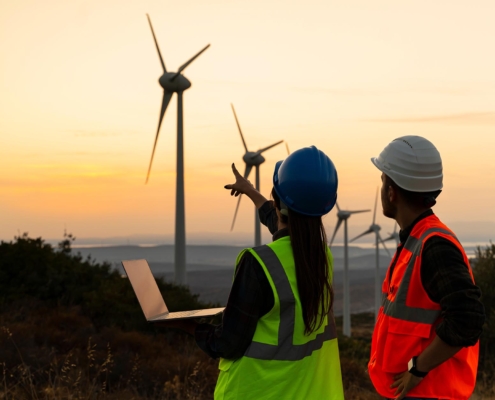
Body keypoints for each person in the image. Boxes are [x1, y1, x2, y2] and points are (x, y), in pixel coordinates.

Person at [161, 146, 345, 399]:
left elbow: (227, 343)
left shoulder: (259, 264)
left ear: (280, 205)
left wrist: (188, 325)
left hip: (258, 391)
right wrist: (252, 192)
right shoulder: (322, 257)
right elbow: (283, 222)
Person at [367, 136, 485, 400]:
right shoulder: (419, 239)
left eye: (383, 180)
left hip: (430, 392)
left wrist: (417, 370)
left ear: (391, 192)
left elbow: (468, 318)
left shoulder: (434, 247)